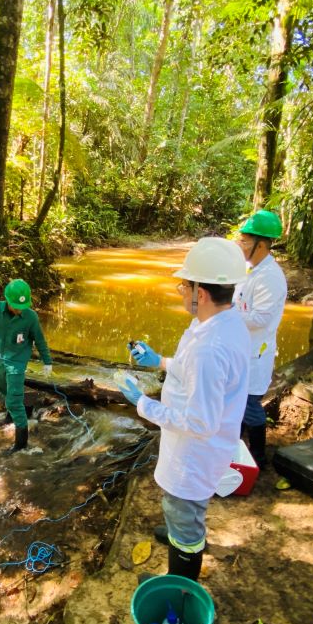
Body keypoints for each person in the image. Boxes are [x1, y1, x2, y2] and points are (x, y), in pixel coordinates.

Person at [117, 238, 250, 582]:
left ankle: (180, 588)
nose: (180, 291)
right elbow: (194, 368)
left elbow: (200, 423)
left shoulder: (211, 347)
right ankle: (180, 528)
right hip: (200, 447)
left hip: (195, 453)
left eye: (184, 285)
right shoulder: (221, 321)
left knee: (184, 517)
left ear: (200, 293)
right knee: (183, 510)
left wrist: (143, 404)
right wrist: (161, 361)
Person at [0, 279, 53, 454]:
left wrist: (47, 362)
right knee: (3, 389)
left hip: (17, 363)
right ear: (7, 300)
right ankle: (9, 416)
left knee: (14, 400)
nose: (18, 309)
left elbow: (40, 340)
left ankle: (21, 445)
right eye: (15, 306)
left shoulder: (30, 317)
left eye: (22, 306)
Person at [234, 210, 287, 471]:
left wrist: (226, 316)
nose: (240, 245)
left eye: (245, 241)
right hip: (242, 348)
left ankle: (258, 457)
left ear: (262, 245)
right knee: (238, 401)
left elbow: (261, 318)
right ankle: (237, 448)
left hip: (255, 353)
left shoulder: (270, 277)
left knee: (249, 404)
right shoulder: (251, 270)